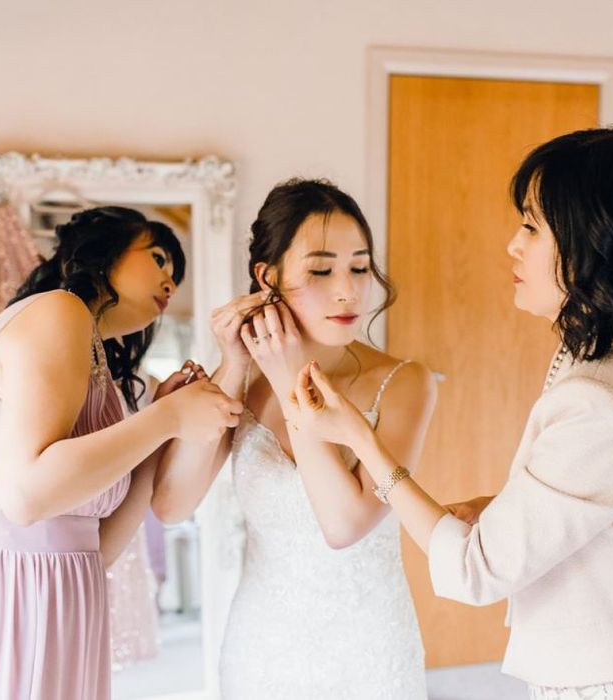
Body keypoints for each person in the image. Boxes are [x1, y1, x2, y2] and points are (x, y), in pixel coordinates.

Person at [289, 127, 613, 699]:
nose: (514, 245)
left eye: (532, 226)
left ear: (598, 241)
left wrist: (362, 441)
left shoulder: (598, 401)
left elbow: (474, 571)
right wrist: (507, 506)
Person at [0, 206, 242, 699]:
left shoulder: (94, 357)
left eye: (176, 274)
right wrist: (164, 418)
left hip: (65, 598)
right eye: (160, 258)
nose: (171, 282)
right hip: (8, 600)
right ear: (104, 250)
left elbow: (94, 549)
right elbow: (26, 496)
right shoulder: (58, 311)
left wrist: (160, 428)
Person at [154, 180, 436, 699]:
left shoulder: (405, 383)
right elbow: (172, 505)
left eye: (359, 266)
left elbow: (345, 525)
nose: (348, 289)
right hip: (262, 648)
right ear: (268, 277)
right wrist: (235, 366)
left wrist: (289, 383)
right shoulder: (242, 382)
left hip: (369, 653)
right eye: (322, 270)